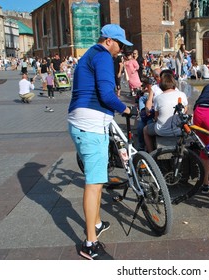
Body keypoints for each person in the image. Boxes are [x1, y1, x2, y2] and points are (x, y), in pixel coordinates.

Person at [67, 24, 132, 260]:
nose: (121, 50)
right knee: (94, 183)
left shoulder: (90, 54)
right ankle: (90, 244)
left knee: (97, 176)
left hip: (81, 122)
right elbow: (106, 94)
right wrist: (125, 109)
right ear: (108, 41)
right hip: (91, 125)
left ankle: (96, 223)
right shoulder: (103, 56)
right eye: (120, 44)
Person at [143, 72, 188, 152]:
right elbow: (185, 111)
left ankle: (151, 154)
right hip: (179, 130)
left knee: (145, 130)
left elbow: (156, 117)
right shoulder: (182, 94)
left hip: (161, 131)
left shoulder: (158, 98)